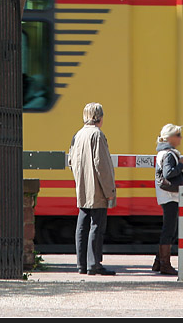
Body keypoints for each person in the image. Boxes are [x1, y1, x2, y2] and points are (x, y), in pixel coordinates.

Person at [68, 102, 117, 276]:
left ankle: (81, 264)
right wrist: (110, 191)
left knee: (82, 225)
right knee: (97, 225)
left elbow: (70, 161)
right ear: (99, 117)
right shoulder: (97, 135)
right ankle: (94, 264)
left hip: (82, 186)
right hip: (96, 188)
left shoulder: (78, 134)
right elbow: (102, 165)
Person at [153, 123, 183, 276]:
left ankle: (158, 262)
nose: (180, 138)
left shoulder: (163, 152)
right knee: (169, 229)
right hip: (171, 196)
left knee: (168, 228)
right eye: (178, 135)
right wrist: (181, 164)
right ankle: (164, 265)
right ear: (170, 137)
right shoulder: (168, 154)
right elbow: (168, 173)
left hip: (168, 196)